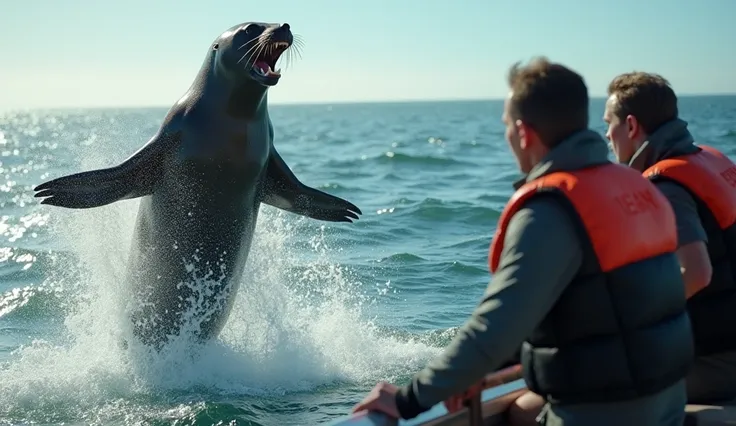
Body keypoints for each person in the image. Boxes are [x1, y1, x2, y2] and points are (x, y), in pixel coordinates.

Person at [352, 57, 694, 426]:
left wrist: (408, 399)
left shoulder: (551, 211)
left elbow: (496, 325)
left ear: (523, 132)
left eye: (505, 127)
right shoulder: (638, 188)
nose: (506, 137)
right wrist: (484, 372)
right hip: (666, 405)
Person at [604, 71, 736, 404]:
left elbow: (696, 273)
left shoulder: (667, 185)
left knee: (581, 392)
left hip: (717, 360)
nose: (606, 134)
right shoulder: (709, 162)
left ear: (631, 126)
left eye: (609, 123)